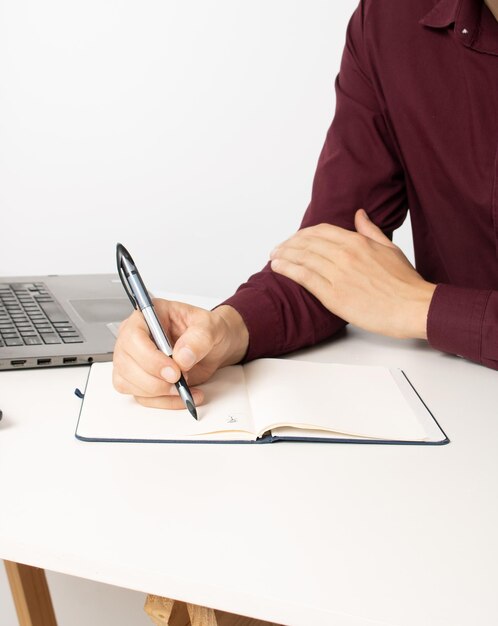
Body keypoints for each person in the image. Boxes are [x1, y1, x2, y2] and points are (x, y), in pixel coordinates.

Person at [113, 0, 498, 409]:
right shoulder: (390, 18)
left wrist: (421, 306)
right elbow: (332, 259)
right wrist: (223, 331)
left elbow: (392, 297)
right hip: (453, 414)